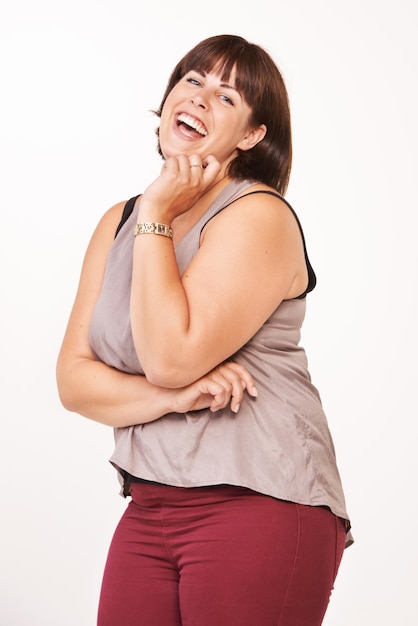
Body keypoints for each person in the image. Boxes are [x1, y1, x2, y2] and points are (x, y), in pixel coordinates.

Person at [56, 34, 352, 626]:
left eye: (227, 95)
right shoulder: (119, 221)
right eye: (193, 81)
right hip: (150, 504)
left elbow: (171, 356)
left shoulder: (257, 214)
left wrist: (160, 216)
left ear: (251, 135)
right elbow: (74, 382)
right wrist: (176, 398)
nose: (200, 97)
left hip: (260, 499)